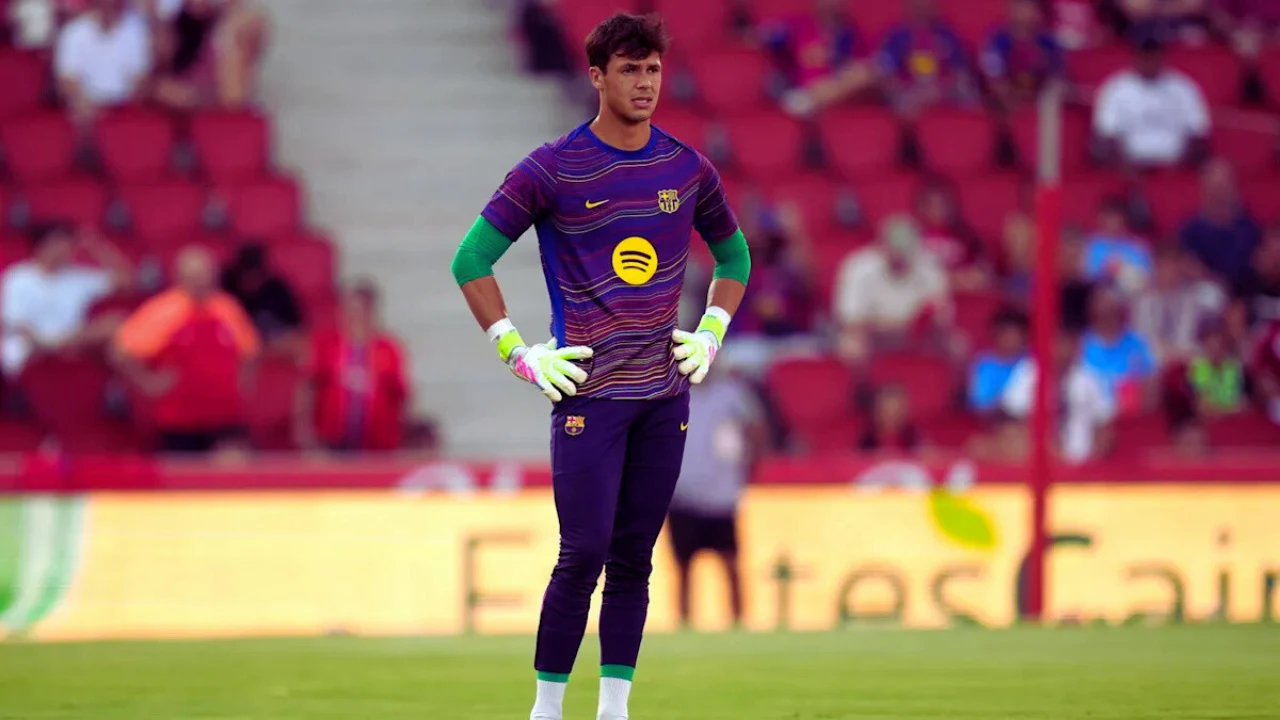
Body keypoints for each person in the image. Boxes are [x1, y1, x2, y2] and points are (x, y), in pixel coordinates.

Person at [447, 14, 751, 720]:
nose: (644, 83)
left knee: (634, 559)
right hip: (590, 394)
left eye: (653, 69)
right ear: (596, 76)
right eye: (629, 69)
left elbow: (734, 256)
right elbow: (470, 259)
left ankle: (614, 710)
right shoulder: (551, 168)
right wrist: (518, 352)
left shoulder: (686, 168)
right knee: (582, 554)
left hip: (664, 397)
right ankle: (546, 710)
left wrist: (710, 332)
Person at [112, 245, 259, 453]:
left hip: (226, 416)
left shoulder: (227, 307)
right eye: (194, 275)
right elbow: (121, 351)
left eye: (205, 274)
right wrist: (148, 382)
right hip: (179, 420)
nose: (200, 280)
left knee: (235, 465)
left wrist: (242, 385)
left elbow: (250, 350)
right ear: (179, 277)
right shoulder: (164, 310)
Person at [665, 357, 765, 631]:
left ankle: (739, 623)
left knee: (730, 563)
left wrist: (750, 461)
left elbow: (757, 428)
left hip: (721, 494)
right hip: (682, 493)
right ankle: (684, 625)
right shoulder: (672, 393)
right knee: (684, 567)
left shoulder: (732, 394)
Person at [1, 223, 132, 379]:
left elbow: (126, 281)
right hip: (30, 345)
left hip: (69, 341)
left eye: (67, 244)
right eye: (58, 243)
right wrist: (41, 341)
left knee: (115, 322)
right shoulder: (18, 277)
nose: (65, 249)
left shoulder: (78, 277)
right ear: (42, 246)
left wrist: (96, 247)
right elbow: (14, 322)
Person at [294, 280, 409, 453]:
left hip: (378, 445)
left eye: (360, 310)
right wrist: (304, 433)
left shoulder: (388, 349)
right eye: (350, 310)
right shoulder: (326, 345)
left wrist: (400, 436)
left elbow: (400, 396)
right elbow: (307, 388)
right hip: (331, 442)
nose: (355, 316)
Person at [1092, 33, 1210, 170]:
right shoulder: (1115, 89)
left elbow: (1197, 133)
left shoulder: (1183, 87)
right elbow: (1107, 136)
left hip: (1176, 167)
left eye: (1153, 53)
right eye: (1144, 54)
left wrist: (1181, 166)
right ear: (1135, 55)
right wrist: (1125, 167)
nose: (1149, 59)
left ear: (1162, 55)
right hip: (1130, 168)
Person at [54, 0, 151, 122]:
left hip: (124, 103)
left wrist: (129, 99)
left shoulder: (136, 29)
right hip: (87, 105)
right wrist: (84, 101)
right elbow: (67, 80)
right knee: (80, 112)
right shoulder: (72, 32)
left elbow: (140, 76)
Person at [220, 242, 304, 355]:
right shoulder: (226, 290)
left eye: (255, 276)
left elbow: (297, 326)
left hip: (271, 342)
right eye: (247, 276)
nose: (251, 281)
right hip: (238, 343)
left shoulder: (277, 289)